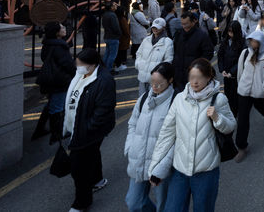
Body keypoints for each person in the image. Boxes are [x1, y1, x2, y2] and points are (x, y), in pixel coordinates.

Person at [149, 58, 235, 212]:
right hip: (180, 170)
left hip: (206, 171)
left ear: (208, 77)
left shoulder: (219, 99)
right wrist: (155, 168)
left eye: (199, 77)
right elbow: (166, 134)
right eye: (192, 77)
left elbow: (230, 126)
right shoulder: (180, 99)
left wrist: (217, 118)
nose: (195, 82)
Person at [62, 48, 116, 212]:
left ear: (92, 64)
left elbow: (104, 110)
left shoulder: (104, 80)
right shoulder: (80, 76)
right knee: (91, 154)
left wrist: (87, 127)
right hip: (76, 127)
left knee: (79, 167)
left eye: (81, 64)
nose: (77, 67)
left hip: (88, 131)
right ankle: (97, 180)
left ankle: (82, 202)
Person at [124, 62, 176, 212]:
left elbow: (176, 138)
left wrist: (161, 168)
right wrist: (130, 146)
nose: (154, 86)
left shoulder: (175, 101)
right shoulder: (144, 98)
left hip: (161, 165)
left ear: (170, 80)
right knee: (133, 202)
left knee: (163, 205)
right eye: (152, 82)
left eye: (159, 84)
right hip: (139, 158)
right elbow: (132, 123)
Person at [234, 31, 264, 163]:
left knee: (263, 108)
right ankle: (241, 147)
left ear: (261, 42)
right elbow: (240, 70)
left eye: (255, 41)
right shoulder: (245, 53)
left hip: (259, 93)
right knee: (243, 119)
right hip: (244, 92)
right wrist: (240, 84)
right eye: (250, 40)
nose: (252, 43)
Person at [34, 22, 76, 143]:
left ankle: (40, 129)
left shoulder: (47, 44)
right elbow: (67, 64)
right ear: (57, 32)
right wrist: (75, 74)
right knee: (57, 107)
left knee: (51, 104)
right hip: (59, 80)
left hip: (50, 79)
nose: (64, 28)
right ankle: (56, 134)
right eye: (62, 27)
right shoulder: (60, 46)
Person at [172, 12, 214, 90]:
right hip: (178, 75)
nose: (184, 26)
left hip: (194, 75)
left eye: (186, 24)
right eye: (182, 24)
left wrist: (198, 67)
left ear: (193, 22)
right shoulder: (178, 34)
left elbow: (208, 53)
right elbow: (174, 52)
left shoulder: (202, 35)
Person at [136, 18, 175, 96]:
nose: (155, 29)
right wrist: (139, 65)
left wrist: (159, 73)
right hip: (142, 77)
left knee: (154, 100)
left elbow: (168, 60)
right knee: (142, 99)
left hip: (156, 79)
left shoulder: (168, 42)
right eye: (154, 27)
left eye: (158, 27)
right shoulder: (146, 40)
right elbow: (138, 53)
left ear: (163, 28)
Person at [217, 20, 245, 118]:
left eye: (232, 32)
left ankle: (235, 112)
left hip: (237, 75)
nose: (230, 34)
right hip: (227, 74)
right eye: (229, 31)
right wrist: (222, 69)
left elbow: (241, 61)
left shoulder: (242, 43)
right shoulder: (225, 41)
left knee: (235, 96)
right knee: (228, 94)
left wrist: (232, 72)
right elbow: (220, 55)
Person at [101, 2, 121, 72]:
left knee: (107, 53)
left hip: (107, 36)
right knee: (112, 55)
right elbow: (116, 27)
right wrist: (119, 34)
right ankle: (109, 69)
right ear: (111, 7)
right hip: (113, 37)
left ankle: (104, 68)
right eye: (114, 5)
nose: (116, 6)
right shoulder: (112, 15)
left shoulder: (105, 14)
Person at [115, 6, 131, 73]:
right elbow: (126, 30)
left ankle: (118, 64)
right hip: (123, 38)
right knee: (122, 51)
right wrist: (128, 35)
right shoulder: (122, 19)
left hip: (118, 37)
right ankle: (120, 64)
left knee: (118, 52)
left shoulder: (116, 18)